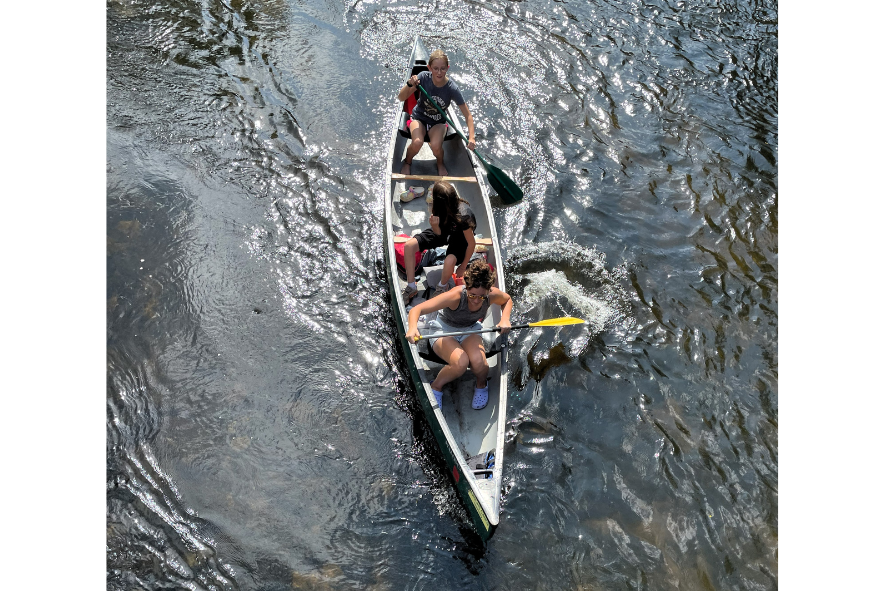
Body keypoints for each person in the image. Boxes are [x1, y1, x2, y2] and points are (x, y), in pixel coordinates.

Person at [405, 258, 512, 410]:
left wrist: (505, 319)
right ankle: (436, 386)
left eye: (481, 297)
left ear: (488, 291)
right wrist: (412, 328)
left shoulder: (492, 295)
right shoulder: (455, 295)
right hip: (444, 330)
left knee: (480, 363)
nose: (476, 301)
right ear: (466, 288)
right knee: (460, 363)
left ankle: (481, 384)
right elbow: (417, 310)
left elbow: (507, 300)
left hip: (470, 329)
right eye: (472, 295)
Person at [398, 48, 476, 177]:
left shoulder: (452, 88)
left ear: (447, 68)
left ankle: (440, 163)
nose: (439, 72)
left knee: (436, 146)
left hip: (438, 123)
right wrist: (410, 84)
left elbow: (468, 115)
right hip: (419, 118)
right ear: (429, 68)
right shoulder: (423, 77)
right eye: (435, 69)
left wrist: (471, 137)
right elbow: (401, 98)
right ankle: (407, 162)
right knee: (417, 142)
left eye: (442, 68)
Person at [400, 180, 476, 302]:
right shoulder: (438, 208)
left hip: (458, 238)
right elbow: (439, 235)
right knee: (409, 246)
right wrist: (435, 226)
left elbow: (471, 243)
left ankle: (442, 286)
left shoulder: (464, 216)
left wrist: (462, 266)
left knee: (449, 260)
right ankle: (411, 286)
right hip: (443, 231)